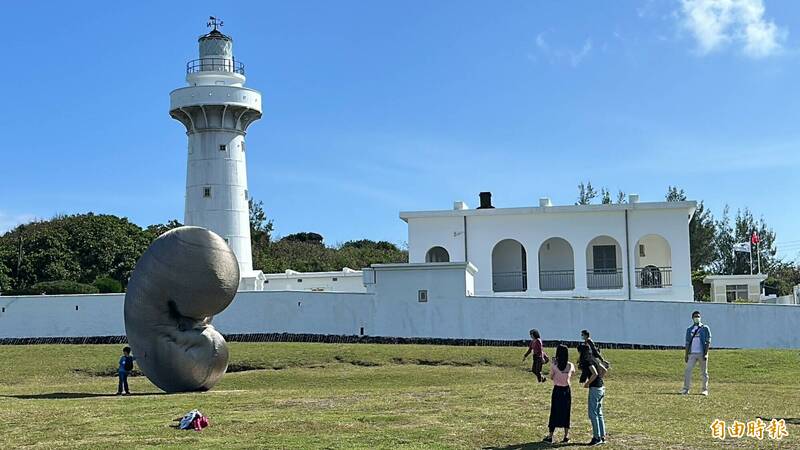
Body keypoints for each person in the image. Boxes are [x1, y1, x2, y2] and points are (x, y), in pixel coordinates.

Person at [543, 344, 575, 444]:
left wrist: (554, 364)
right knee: (566, 412)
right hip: (566, 390)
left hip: (557, 390)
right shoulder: (570, 365)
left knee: (554, 412)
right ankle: (566, 436)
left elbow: (551, 377)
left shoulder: (554, 365)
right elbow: (572, 373)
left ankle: (550, 436)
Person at [578, 343, 607, 446]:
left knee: (592, 414)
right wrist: (600, 379)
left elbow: (594, 373)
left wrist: (587, 383)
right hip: (601, 387)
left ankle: (596, 437)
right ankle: (602, 436)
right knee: (599, 412)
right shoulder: (594, 359)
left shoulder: (588, 361)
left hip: (594, 388)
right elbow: (604, 370)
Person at [682, 310, 711, 396]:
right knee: (688, 370)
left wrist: (705, 353)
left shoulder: (705, 328)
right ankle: (686, 389)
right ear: (692, 318)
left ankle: (704, 389)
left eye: (698, 316)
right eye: (695, 317)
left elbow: (708, 341)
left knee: (704, 372)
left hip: (702, 353)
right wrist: (686, 354)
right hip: (692, 353)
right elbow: (687, 342)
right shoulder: (689, 329)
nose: (697, 318)